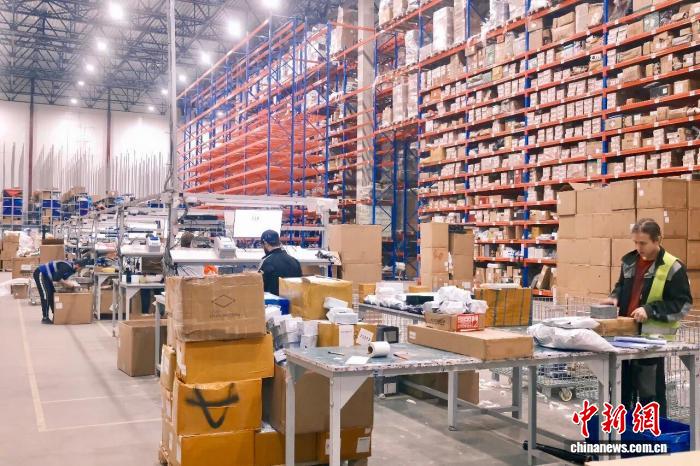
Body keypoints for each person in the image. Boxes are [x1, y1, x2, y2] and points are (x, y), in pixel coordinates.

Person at [602, 218, 692, 417]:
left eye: (642, 243)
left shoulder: (673, 267)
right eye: (635, 242)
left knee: (649, 396)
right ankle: (621, 432)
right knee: (619, 392)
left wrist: (650, 310)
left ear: (657, 240)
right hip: (623, 338)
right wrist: (614, 297)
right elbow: (621, 286)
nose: (638, 247)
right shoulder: (629, 261)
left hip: (650, 343)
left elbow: (682, 304)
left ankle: (652, 434)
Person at [33, 259, 89, 324]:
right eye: (81, 268)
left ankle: (57, 315)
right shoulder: (67, 266)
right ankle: (45, 318)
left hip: (47, 277)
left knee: (51, 294)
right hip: (41, 273)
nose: (80, 270)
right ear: (77, 266)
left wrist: (68, 284)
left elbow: (62, 278)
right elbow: (56, 277)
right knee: (46, 295)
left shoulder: (72, 270)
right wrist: (67, 284)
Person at [258, 230, 301, 295]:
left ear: (265, 243)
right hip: (293, 300)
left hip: (273, 300)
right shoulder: (295, 261)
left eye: (262, 245)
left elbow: (259, 286)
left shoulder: (266, 262)